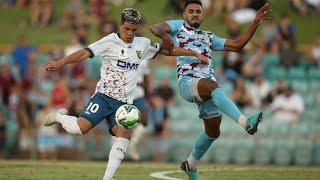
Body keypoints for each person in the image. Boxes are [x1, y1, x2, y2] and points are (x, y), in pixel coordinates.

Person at [44, 8, 208, 180]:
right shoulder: (109, 42)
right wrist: (61, 62)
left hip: (123, 104)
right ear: (121, 25)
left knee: (124, 134)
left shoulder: (142, 44)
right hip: (103, 97)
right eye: (127, 29)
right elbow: (85, 52)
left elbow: (167, 51)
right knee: (79, 129)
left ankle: (107, 178)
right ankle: (60, 117)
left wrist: (194, 53)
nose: (130, 33)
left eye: (133, 30)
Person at [150, 0, 270, 179]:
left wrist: (254, 23)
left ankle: (190, 164)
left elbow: (237, 45)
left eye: (198, 11)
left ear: (203, 14)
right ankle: (246, 123)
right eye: (190, 11)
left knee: (213, 131)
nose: (194, 14)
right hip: (188, 82)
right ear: (184, 14)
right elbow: (155, 28)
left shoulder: (208, 36)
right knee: (212, 85)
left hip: (207, 87)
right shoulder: (178, 26)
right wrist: (166, 37)